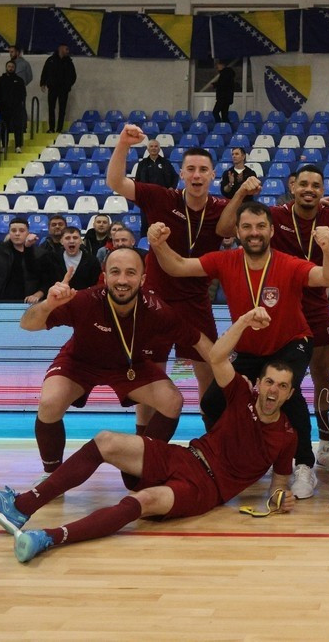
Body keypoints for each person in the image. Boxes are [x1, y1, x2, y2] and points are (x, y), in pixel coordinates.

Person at [0, 306, 298, 564]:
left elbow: (279, 484)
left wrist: (281, 497)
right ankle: (21, 506)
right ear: (259, 384)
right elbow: (216, 356)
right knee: (106, 440)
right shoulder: (241, 394)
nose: (273, 390)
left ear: (290, 393)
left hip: (205, 489)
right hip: (184, 455)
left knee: (144, 501)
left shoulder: (287, 436)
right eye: (269, 382)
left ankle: (46, 538)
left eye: (282, 386)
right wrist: (243, 321)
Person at [147, 200, 329, 499]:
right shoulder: (225, 260)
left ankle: (303, 465)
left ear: (271, 231)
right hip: (249, 350)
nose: (254, 232)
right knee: (213, 401)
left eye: (261, 226)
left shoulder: (288, 263)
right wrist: (159, 245)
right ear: (237, 231)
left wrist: (327, 248)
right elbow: (178, 266)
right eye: (247, 227)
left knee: (284, 391)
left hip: (291, 343)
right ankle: (231, 454)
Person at [227, 164, 329, 473]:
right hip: (278, 305)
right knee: (275, 380)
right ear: (293, 186)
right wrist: (241, 193)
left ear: (323, 191)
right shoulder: (275, 217)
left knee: (322, 375)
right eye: (304, 184)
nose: (310, 190)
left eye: (316, 185)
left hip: (315, 305)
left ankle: (324, 445)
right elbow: (230, 230)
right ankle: (267, 443)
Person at [18, 247, 214, 480]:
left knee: (172, 400)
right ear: (105, 276)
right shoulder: (84, 300)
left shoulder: (157, 310)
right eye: (115, 272)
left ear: (142, 279)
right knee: (49, 402)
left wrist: (229, 374)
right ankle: (52, 475)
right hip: (79, 364)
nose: (122, 280)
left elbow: (198, 340)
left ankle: (142, 460)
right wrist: (48, 304)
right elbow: (27, 324)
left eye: (130, 273)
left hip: (130, 366)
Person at [108, 125, 235, 440]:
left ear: (212, 175)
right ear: (181, 174)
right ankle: (143, 442)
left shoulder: (221, 209)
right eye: (190, 169)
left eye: (203, 170)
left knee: (209, 372)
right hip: (156, 300)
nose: (196, 175)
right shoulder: (161, 197)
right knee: (151, 373)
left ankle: (214, 442)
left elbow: (257, 222)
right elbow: (115, 182)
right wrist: (123, 144)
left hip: (196, 301)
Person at [38, 225, 101, 297]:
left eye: (75, 238)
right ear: (61, 241)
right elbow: (47, 282)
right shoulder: (52, 259)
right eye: (67, 238)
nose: (71, 241)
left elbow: (95, 285)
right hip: (58, 298)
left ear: (81, 241)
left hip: (83, 299)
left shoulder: (92, 261)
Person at [40, 44, 76, 134]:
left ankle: (59, 129)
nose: (68, 51)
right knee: (51, 108)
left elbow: (73, 75)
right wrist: (43, 83)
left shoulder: (69, 62)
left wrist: (68, 85)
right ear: (61, 49)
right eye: (66, 49)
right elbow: (45, 72)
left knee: (62, 109)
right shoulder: (51, 60)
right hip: (52, 88)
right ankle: (51, 128)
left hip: (64, 89)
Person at [0, 61, 26, 153]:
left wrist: (20, 104)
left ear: (15, 68)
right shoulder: (1, 79)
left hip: (16, 108)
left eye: (12, 66)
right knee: (4, 127)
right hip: (4, 107)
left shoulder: (19, 80)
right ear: (6, 67)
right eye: (9, 66)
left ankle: (18, 146)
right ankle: (4, 146)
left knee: (18, 127)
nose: (10, 68)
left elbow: (23, 94)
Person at [212, 59, 236, 124]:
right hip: (227, 98)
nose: (217, 66)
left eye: (218, 65)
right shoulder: (229, 74)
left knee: (215, 112)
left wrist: (215, 85)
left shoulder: (224, 74)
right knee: (224, 115)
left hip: (222, 97)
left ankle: (220, 126)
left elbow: (222, 84)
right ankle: (226, 127)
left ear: (222, 65)